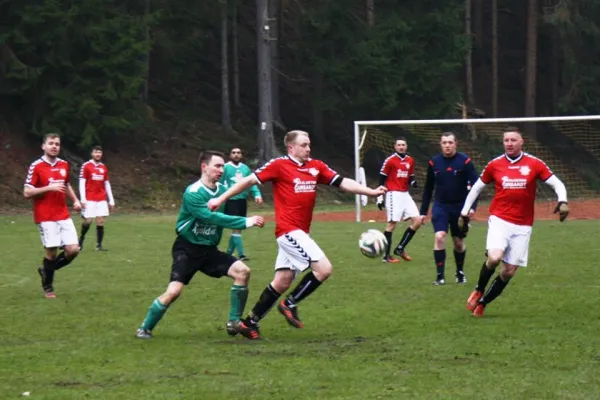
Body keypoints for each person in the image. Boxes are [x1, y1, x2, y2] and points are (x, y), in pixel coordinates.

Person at [207, 130, 386, 339]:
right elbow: (248, 181)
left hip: (300, 232)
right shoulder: (278, 165)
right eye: (304, 145)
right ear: (291, 147)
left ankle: (250, 322)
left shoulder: (316, 166)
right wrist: (221, 199)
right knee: (324, 269)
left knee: (283, 280)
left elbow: (343, 182)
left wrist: (371, 192)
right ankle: (289, 303)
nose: (308, 148)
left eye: (309, 144)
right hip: (288, 231)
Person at [135, 151, 265, 339]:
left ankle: (234, 322)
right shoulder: (193, 192)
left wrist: (256, 190)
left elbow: (240, 187)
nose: (222, 170)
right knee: (174, 291)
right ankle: (144, 328)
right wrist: (245, 222)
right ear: (204, 167)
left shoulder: (222, 190)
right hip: (187, 249)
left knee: (242, 272)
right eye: (217, 166)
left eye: (223, 166)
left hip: (209, 251)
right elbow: (210, 216)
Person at [458, 128, 569, 317]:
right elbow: (476, 188)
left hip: (523, 224)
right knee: (494, 257)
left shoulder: (534, 163)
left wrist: (563, 200)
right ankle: (478, 290)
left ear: (521, 142)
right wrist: (463, 213)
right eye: (506, 140)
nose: (509, 143)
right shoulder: (495, 165)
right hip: (500, 219)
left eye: (513, 140)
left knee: (508, 271)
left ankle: (483, 304)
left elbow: (557, 183)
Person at [24, 133, 83, 299]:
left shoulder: (64, 165)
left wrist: (76, 201)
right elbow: (27, 192)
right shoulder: (36, 166)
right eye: (51, 143)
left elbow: (66, 184)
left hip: (63, 214)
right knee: (51, 252)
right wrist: (48, 188)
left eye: (57, 144)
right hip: (45, 216)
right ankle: (48, 287)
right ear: (43, 146)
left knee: (73, 250)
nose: (54, 146)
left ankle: (46, 270)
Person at [420, 132, 479, 285]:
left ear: (455, 144)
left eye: (450, 142)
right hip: (441, 206)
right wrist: (422, 212)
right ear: (441, 144)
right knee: (439, 237)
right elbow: (428, 188)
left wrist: (472, 207)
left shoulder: (465, 161)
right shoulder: (434, 163)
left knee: (458, 242)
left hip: (460, 207)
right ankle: (440, 277)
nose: (447, 145)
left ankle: (460, 272)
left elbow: (476, 186)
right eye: (444, 142)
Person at [376, 136, 423, 263]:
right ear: (395, 147)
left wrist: (412, 182)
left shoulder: (410, 160)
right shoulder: (390, 161)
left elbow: (410, 176)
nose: (401, 147)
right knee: (391, 224)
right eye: (399, 145)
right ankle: (386, 256)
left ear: (406, 146)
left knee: (418, 220)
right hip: (393, 194)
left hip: (405, 194)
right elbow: (381, 179)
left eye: (403, 145)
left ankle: (400, 248)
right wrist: (379, 197)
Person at [220, 147, 263, 260]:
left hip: (242, 201)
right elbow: (219, 183)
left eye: (238, 153)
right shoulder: (225, 168)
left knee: (237, 227)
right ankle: (241, 254)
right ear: (230, 155)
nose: (236, 155)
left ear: (241, 155)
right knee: (235, 226)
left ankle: (229, 254)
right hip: (230, 201)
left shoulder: (245, 168)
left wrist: (257, 194)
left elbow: (252, 183)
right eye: (233, 152)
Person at [78, 145, 115, 251]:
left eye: (99, 152)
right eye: (96, 152)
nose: (98, 154)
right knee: (88, 221)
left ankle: (99, 245)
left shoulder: (103, 167)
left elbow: (107, 184)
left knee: (100, 221)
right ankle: (81, 239)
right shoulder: (86, 166)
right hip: (89, 198)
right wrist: (83, 199)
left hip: (101, 198)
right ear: (92, 153)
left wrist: (111, 200)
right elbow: (82, 182)